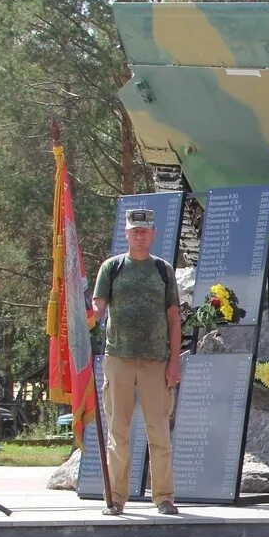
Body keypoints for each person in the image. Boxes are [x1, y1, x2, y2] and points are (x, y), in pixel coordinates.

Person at [92, 207, 181, 516]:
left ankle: (164, 497)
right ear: (127, 234)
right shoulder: (112, 268)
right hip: (119, 358)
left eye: (145, 231)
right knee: (119, 431)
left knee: (159, 431)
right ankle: (115, 498)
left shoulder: (162, 270)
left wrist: (174, 361)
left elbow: (173, 317)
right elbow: (98, 307)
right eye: (134, 231)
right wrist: (85, 312)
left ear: (153, 234)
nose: (139, 235)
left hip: (156, 360)